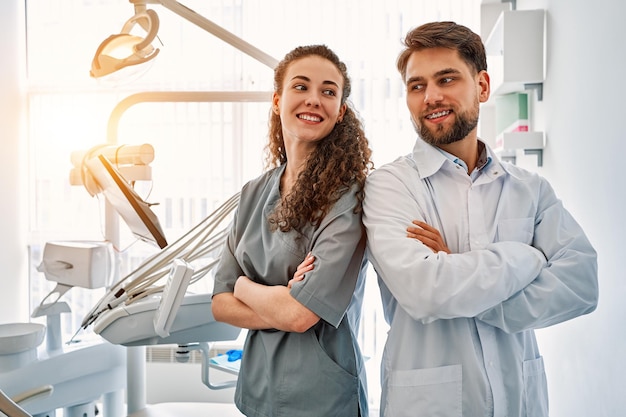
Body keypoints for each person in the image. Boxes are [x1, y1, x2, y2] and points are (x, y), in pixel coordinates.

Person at [362, 21, 598, 417]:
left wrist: (457, 270)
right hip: (427, 404)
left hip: (519, 400)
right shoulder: (389, 187)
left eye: (447, 79)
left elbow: (581, 284)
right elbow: (425, 292)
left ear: (483, 86)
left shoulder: (529, 188)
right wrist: (529, 258)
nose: (431, 96)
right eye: (417, 85)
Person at [211, 44, 373, 417]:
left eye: (328, 91)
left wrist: (244, 287)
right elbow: (219, 304)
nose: (314, 99)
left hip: (323, 397)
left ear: (341, 111)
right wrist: (279, 299)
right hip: (257, 389)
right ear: (277, 100)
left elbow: (300, 316)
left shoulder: (347, 198)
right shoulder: (254, 192)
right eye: (301, 87)